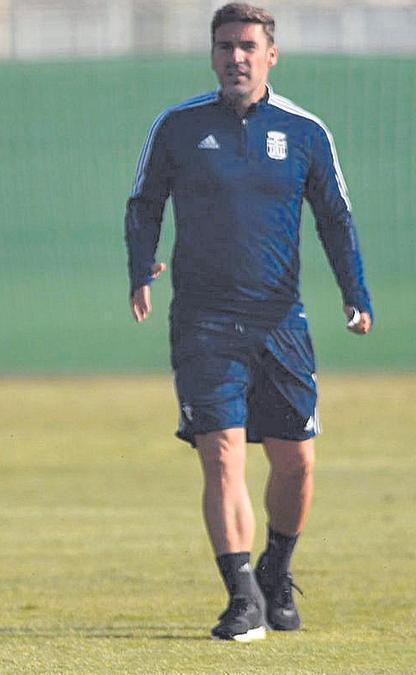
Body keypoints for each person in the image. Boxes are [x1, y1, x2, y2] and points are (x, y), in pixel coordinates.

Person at [124, 3, 373, 642]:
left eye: (247, 46)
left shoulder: (306, 131)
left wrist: (356, 294)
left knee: (296, 463)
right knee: (223, 456)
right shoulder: (178, 127)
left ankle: (275, 575)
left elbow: (336, 218)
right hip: (204, 321)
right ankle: (241, 600)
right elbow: (144, 202)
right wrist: (139, 265)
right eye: (224, 45)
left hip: (279, 319)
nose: (235, 56)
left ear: (271, 56)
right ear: (212, 55)